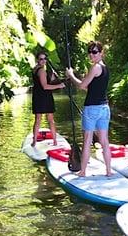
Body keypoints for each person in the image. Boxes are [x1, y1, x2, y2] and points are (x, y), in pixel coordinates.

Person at [65, 41, 112, 177]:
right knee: (104, 141)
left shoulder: (95, 68)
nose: (92, 54)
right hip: (104, 108)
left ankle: (83, 171)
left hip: (92, 109)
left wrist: (71, 75)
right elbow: (89, 87)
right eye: (90, 52)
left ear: (102, 53)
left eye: (95, 52)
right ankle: (109, 171)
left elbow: (81, 86)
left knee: (87, 140)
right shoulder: (105, 69)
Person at [31, 51, 65, 147]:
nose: (43, 61)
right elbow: (45, 86)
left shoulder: (35, 69)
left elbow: (43, 82)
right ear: (37, 60)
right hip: (44, 96)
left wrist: (52, 78)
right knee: (50, 120)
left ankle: (34, 141)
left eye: (45, 59)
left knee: (38, 119)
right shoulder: (41, 70)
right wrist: (59, 85)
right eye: (41, 59)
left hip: (37, 96)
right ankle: (54, 141)